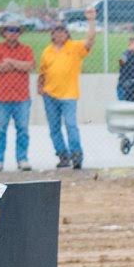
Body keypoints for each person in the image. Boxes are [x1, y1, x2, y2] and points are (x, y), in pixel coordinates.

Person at [39, 9, 96, 170]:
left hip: (69, 95)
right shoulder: (47, 51)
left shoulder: (74, 47)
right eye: (56, 31)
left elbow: (90, 40)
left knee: (71, 125)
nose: (59, 34)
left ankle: (76, 155)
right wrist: (40, 87)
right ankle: (63, 156)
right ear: (52, 34)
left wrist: (91, 21)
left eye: (63, 31)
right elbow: (43, 71)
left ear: (67, 33)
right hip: (49, 95)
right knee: (54, 128)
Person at [0, 22, 35, 172]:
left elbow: (29, 66)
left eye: (15, 30)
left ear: (19, 33)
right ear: (4, 33)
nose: (12, 33)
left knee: (23, 130)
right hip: (1, 98)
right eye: (9, 30)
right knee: (0, 130)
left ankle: (22, 159)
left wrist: (10, 62)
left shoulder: (26, 49)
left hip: (21, 97)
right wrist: (18, 65)